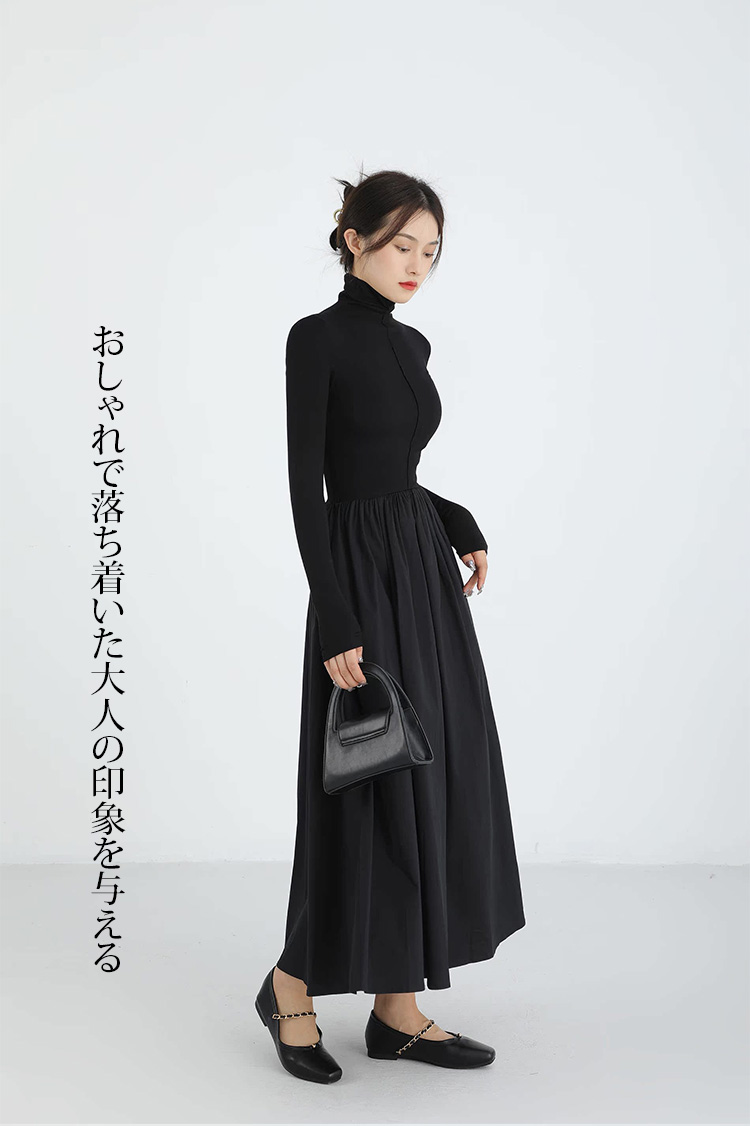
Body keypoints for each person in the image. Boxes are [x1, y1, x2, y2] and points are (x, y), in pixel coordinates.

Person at [255, 170, 526, 1083]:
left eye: (431, 252)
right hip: (359, 581)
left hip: (420, 570)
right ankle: (290, 985)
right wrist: (335, 613)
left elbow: (392, 467)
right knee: (363, 784)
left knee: (427, 773)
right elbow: (308, 484)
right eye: (402, 244)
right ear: (354, 239)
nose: (417, 265)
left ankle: (397, 1012)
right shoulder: (315, 339)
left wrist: (454, 518)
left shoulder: (412, 346)